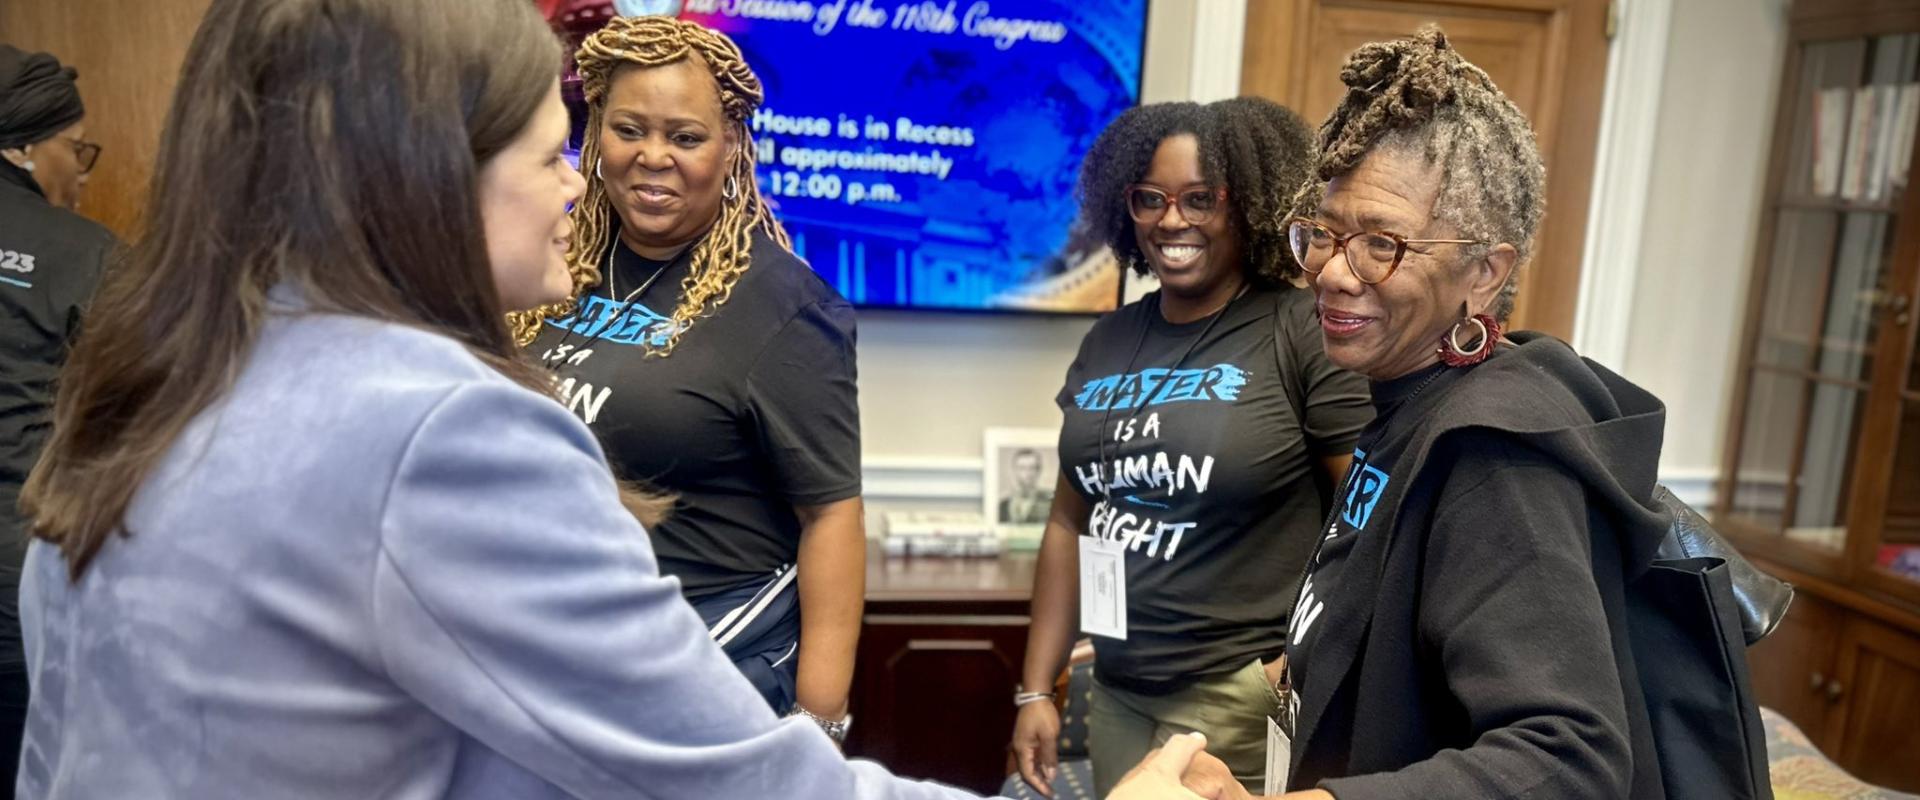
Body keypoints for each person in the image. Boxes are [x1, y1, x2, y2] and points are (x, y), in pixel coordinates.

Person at [9, 1, 1235, 796]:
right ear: (428, 176)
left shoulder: (169, 368)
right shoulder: (439, 428)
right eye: (559, 150)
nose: (576, 185)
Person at [1275, 26, 1671, 799]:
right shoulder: (1404, 400)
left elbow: (1569, 759)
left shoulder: (1492, 456)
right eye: (1323, 233)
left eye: (1381, 245)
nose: (1331, 271)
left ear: (1485, 274)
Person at [511, 16, 865, 735]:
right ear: (595, 132)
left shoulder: (787, 307)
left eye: (686, 137)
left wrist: (819, 725)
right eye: (629, 129)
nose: (653, 157)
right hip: (553, 647)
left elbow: (832, 515)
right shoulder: (547, 262)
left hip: (707, 663)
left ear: (731, 145)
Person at [1012, 97, 1374, 798]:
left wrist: (1292, 669)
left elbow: (1363, 521)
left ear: (1249, 206)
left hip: (1234, 696)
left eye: (1200, 199)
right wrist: (1035, 690)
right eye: (1150, 198)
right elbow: (1069, 520)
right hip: (1117, 688)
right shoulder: (1107, 340)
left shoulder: (1298, 328)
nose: (1171, 220)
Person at [0, 44, 114, 798]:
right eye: (75, 149)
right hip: (21, 601)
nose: (79, 170)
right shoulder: (88, 256)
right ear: (21, 147)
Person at [999, 448, 1052, 525]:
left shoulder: (1049, 503)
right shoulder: (1003, 505)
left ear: (1038, 471)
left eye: (1032, 468)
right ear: (1014, 471)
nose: (1028, 473)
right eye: (1022, 468)